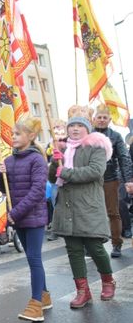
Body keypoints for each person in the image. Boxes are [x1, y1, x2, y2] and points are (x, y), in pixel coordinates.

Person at [50, 105, 115, 308]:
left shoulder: (96, 147)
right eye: (72, 125)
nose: (75, 129)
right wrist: (54, 163)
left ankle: (108, 280)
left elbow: (95, 171)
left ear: (88, 129)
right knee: (74, 250)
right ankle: (83, 291)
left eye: (80, 125)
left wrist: (65, 173)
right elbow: (53, 177)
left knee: (95, 247)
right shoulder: (64, 149)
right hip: (67, 206)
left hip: (88, 205)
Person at [0, 117, 50, 322]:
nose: (13, 137)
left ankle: (36, 304)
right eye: (13, 134)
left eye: (18, 134)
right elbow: (3, 188)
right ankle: (44, 295)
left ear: (31, 136)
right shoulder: (9, 160)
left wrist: (15, 213)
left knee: (34, 259)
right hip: (18, 217)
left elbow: (37, 191)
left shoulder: (37, 159)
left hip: (33, 217)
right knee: (30, 257)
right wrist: (0, 173)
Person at [92, 104, 133, 258]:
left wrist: (128, 179)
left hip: (110, 179)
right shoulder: (88, 135)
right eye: (99, 117)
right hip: (91, 180)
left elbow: (124, 157)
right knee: (92, 213)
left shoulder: (116, 136)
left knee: (113, 213)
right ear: (94, 118)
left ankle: (116, 244)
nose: (102, 120)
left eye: (105, 117)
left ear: (109, 119)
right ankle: (93, 244)